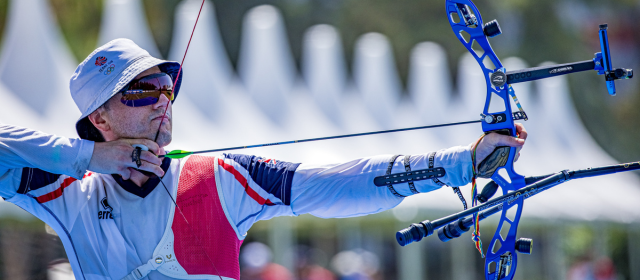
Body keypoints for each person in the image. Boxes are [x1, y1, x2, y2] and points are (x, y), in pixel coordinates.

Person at [0, 39, 526, 280]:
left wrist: (463, 163)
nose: (162, 98)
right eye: (138, 92)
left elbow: (343, 183)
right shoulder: (66, 188)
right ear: (101, 120)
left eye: (165, 85)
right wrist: (89, 156)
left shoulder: (221, 177)